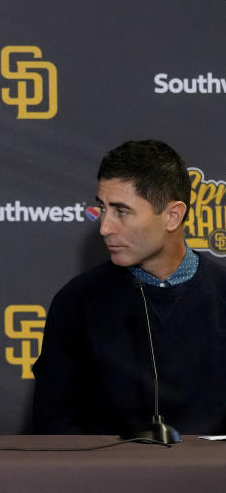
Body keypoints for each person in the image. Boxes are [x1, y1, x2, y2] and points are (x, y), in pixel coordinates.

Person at [32, 139, 226, 435]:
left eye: (121, 211)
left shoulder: (221, 294)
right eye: (102, 209)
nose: (104, 227)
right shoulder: (77, 301)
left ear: (173, 215)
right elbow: (53, 424)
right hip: (105, 478)